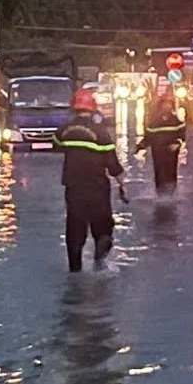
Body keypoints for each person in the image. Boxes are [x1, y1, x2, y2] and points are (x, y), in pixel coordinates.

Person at [54, 88, 128, 272]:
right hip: (97, 188)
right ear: (93, 109)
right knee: (103, 226)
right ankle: (99, 261)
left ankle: (75, 269)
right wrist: (123, 185)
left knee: (75, 229)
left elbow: (56, 145)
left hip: (74, 188)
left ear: (74, 108)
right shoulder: (101, 133)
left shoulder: (64, 131)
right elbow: (113, 164)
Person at [135, 95, 186, 196]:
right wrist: (140, 146)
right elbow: (149, 137)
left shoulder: (176, 121)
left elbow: (182, 136)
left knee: (171, 174)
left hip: (172, 153)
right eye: (164, 105)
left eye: (168, 105)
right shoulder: (154, 122)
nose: (166, 107)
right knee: (160, 174)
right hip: (158, 153)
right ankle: (161, 195)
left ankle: (171, 194)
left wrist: (176, 144)